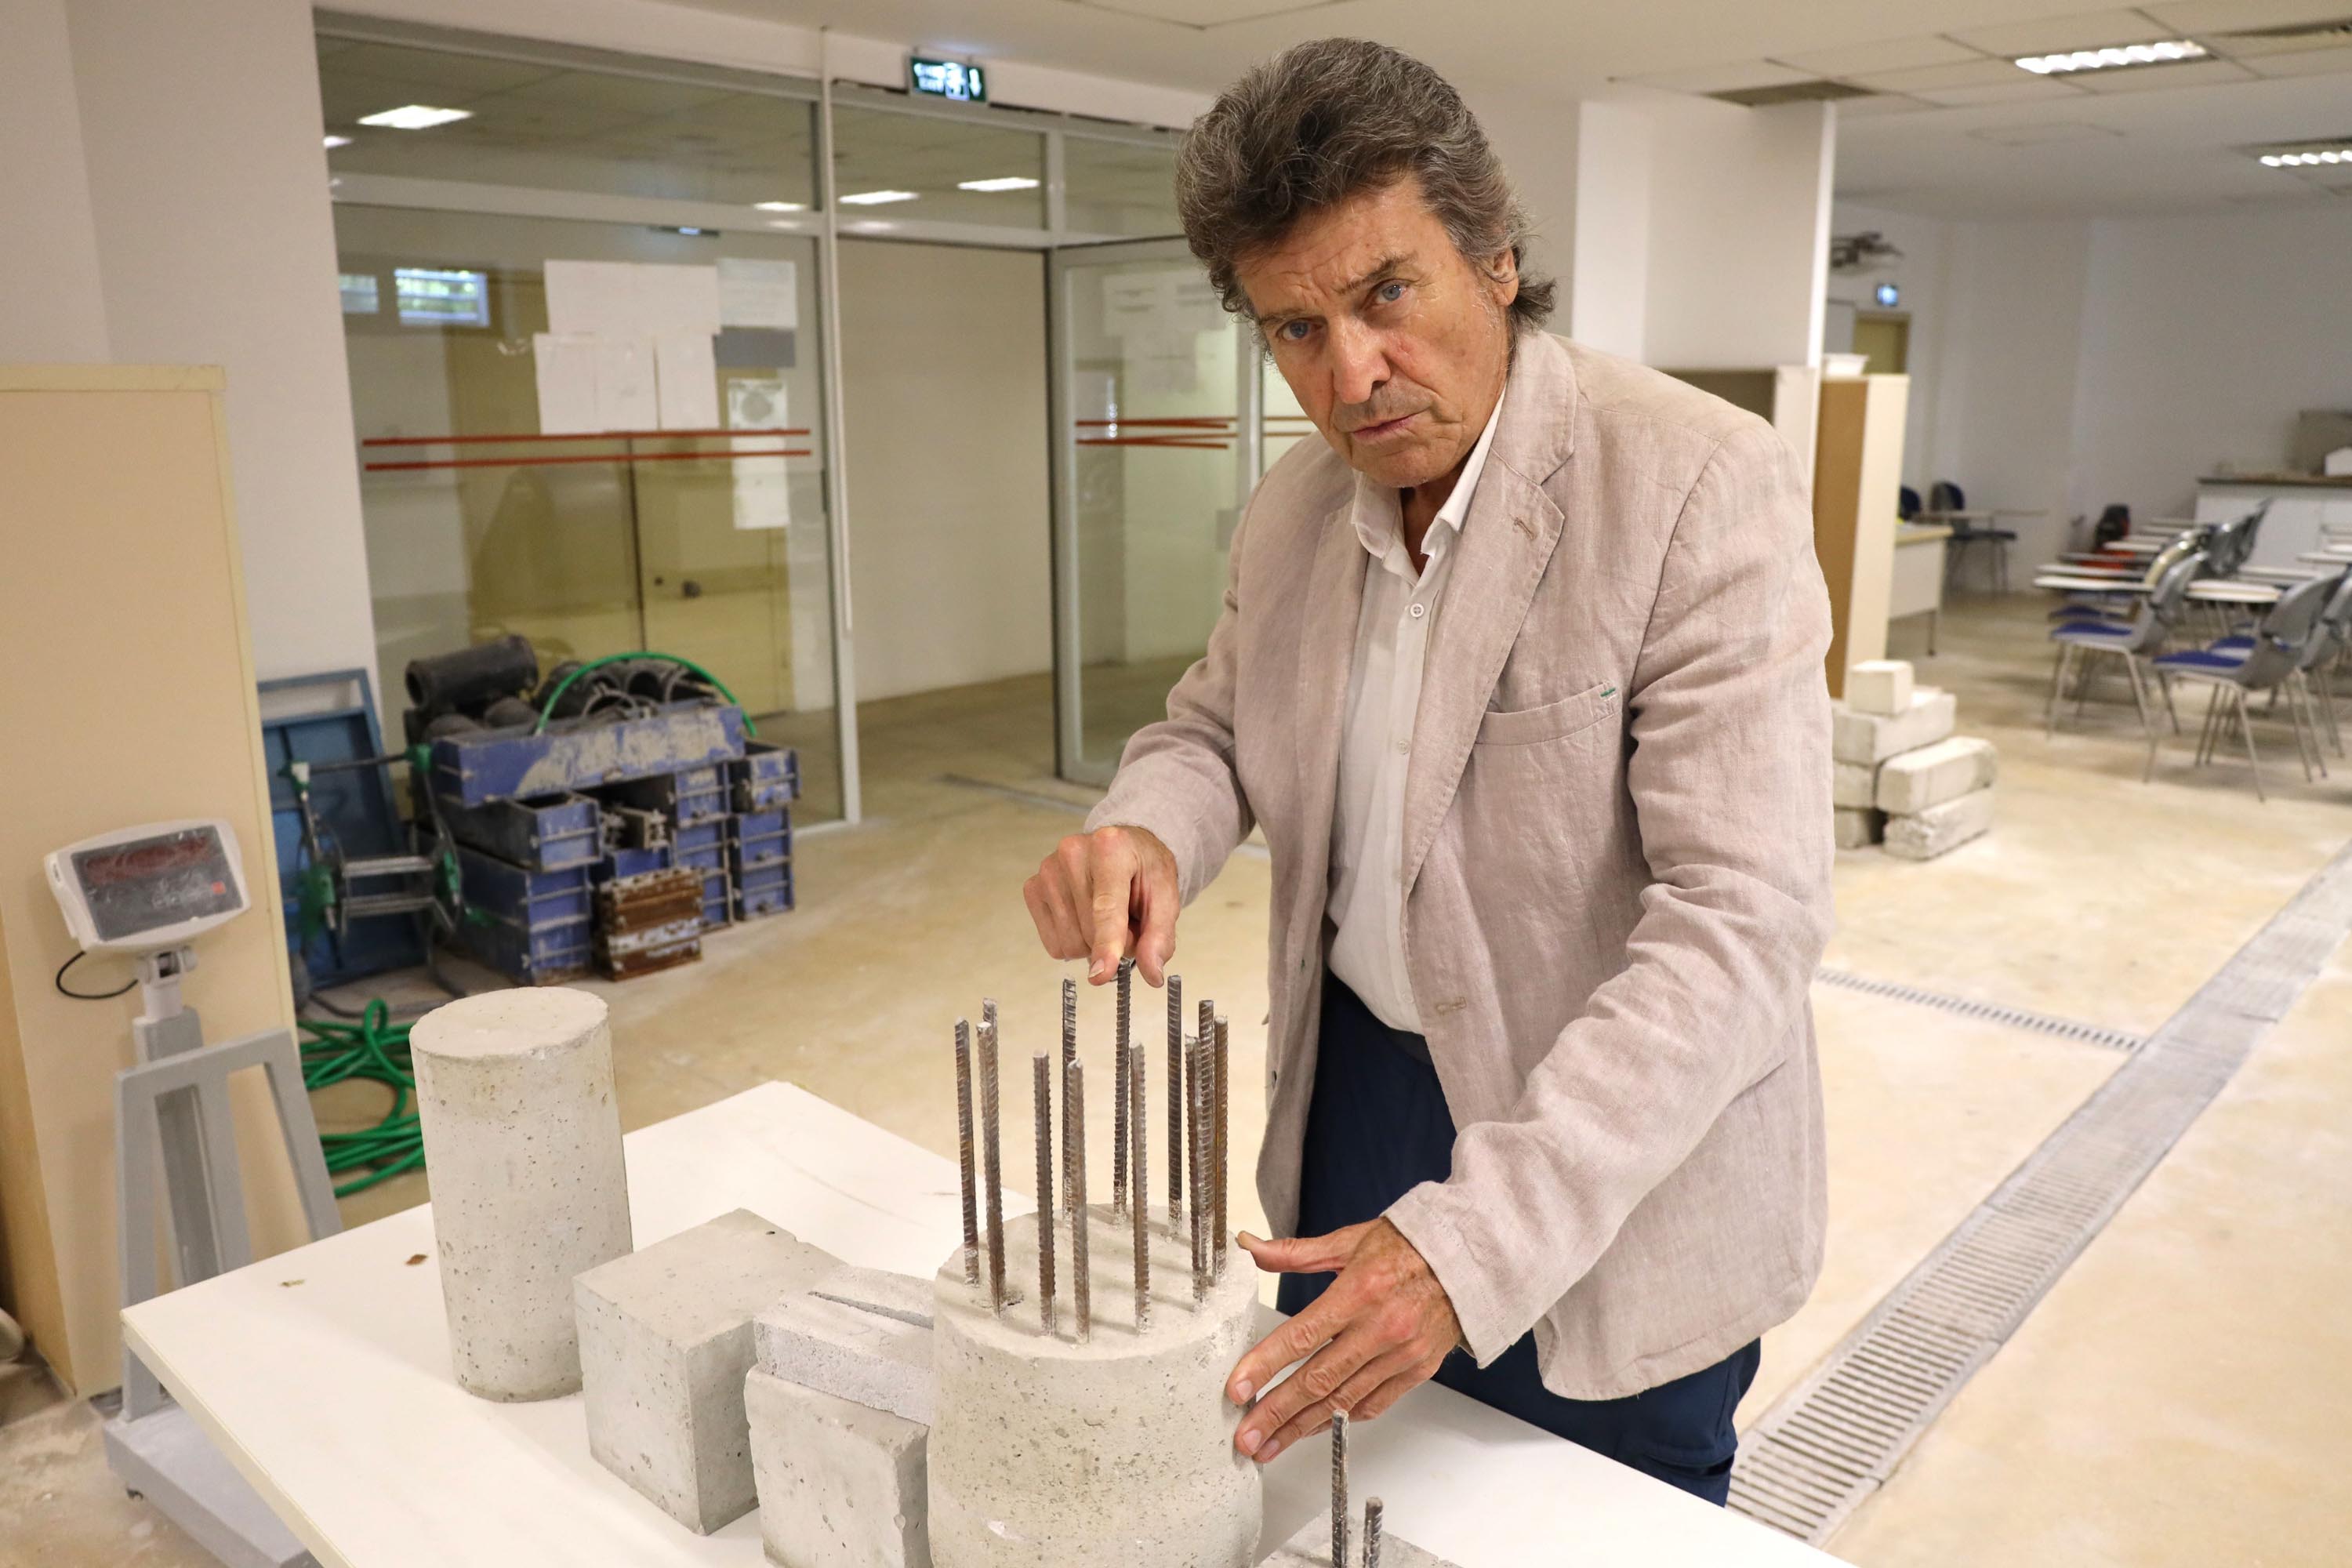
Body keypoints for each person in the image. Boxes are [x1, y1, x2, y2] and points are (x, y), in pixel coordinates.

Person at [1019, 38, 1833, 1505]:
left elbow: (1744, 923)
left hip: (1610, 1143)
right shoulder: (1294, 510)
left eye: (1386, 294)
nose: (1351, 376)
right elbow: (1212, 729)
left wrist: (1472, 1247)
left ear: (1495, 258)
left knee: (1579, 1519)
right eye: (1295, 328)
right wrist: (1145, 829)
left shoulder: (1698, 483)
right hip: (1359, 1107)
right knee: (1347, 1499)